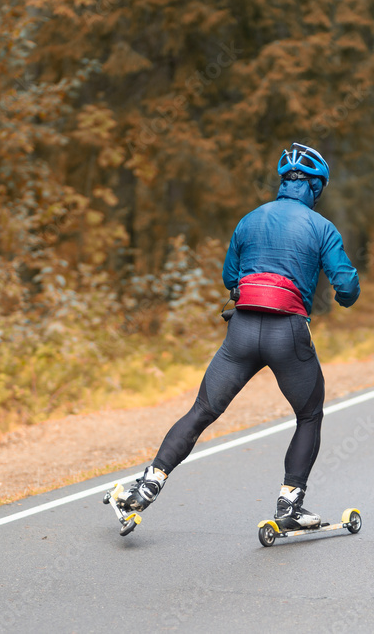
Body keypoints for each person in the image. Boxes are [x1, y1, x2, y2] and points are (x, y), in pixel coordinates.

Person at [117, 143, 360, 530]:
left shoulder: (249, 220)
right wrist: (342, 294)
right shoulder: (322, 227)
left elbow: (231, 278)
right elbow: (346, 285)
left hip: (242, 331)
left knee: (202, 411)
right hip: (288, 333)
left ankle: (149, 481)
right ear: (315, 186)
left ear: (284, 182)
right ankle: (290, 503)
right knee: (309, 414)